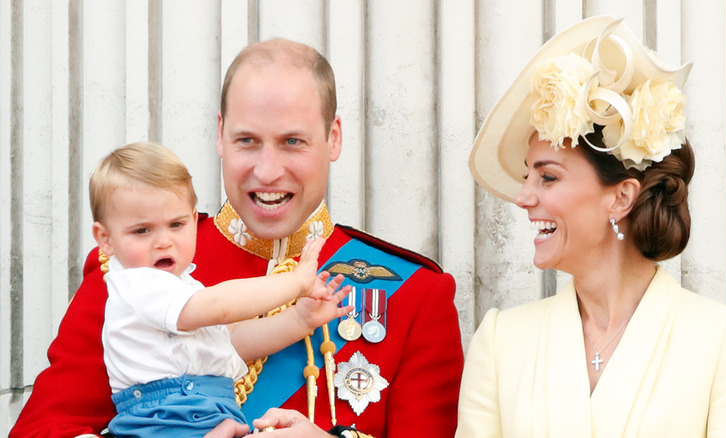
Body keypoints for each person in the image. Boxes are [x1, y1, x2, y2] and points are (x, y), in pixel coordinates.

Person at [11, 38, 464, 438]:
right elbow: (42, 430)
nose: (267, 171)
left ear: (333, 138)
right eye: (247, 140)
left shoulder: (413, 294)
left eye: (292, 142)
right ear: (220, 135)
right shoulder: (137, 264)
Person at [457, 16, 726, 437]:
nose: (523, 197)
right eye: (527, 177)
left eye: (547, 177)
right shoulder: (500, 341)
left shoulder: (722, 340)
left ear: (621, 197)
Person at [88, 142, 349, 437]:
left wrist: (299, 321)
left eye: (176, 224)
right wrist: (295, 283)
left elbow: (232, 341)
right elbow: (218, 306)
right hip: (167, 419)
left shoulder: (181, 286)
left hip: (198, 414)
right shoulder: (138, 284)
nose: (164, 241)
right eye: (142, 230)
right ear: (105, 239)